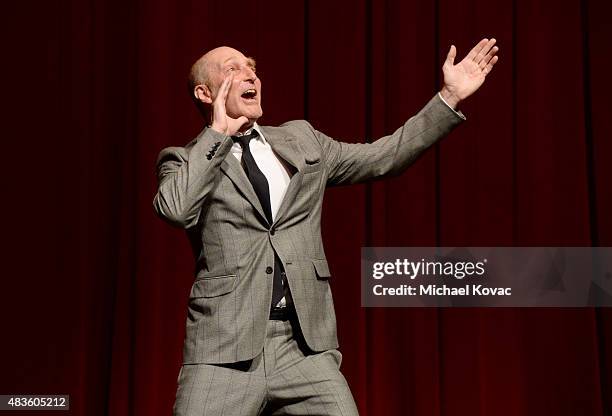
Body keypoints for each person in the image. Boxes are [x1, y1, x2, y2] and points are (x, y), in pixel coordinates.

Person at [153, 39, 499, 416]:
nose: (250, 73)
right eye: (232, 69)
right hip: (223, 347)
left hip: (303, 346)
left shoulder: (301, 139)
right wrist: (217, 134)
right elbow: (175, 209)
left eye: (251, 67)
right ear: (205, 92)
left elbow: (385, 156)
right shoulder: (185, 160)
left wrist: (447, 97)